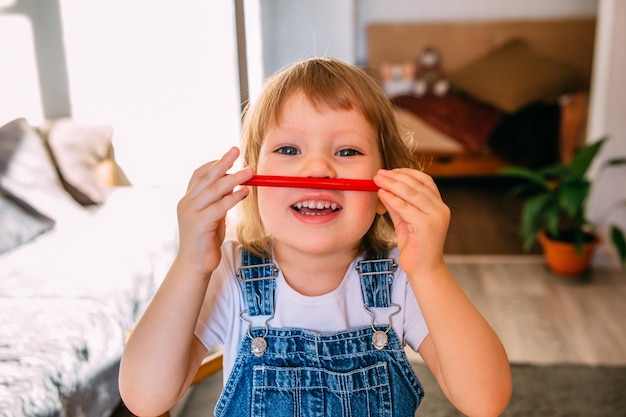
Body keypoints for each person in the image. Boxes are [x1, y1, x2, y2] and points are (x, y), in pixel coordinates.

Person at [119, 57, 512, 417]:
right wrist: (190, 264)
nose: (317, 170)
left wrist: (430, 270)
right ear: (253, 184)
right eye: (289, 148)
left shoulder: (402, 276)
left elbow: (485, 400)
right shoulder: (226, 274)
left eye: (347, 151)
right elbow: (144, 397)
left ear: (383, 191)